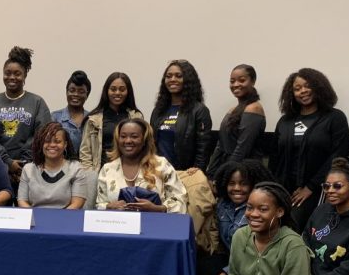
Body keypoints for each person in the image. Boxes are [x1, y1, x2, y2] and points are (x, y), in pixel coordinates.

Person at [271, 68, 349, 232]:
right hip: (285, 190)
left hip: (318, 190)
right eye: (297, 88)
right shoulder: (285, 121)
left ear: (319, 87)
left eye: (307, 86)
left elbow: (337, 156)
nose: (303, 91)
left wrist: (311, 187)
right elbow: (275, 157)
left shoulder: (334, 118)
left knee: (299, 231)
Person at [150, 59, 216, 250]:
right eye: (169, 76)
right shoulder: (159, 110)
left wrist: (197, 170)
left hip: (187, 175)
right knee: (160, 224)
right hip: (160, 174)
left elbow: (204, 145)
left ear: (188, 80)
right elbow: (152, 143)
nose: (173, 79)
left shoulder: (198, 110)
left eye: (178, 76)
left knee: (183, 226)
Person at [201, 159, 274, 275]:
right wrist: (195, 173)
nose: (237, 188)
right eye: (231, 183)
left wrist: (224, 274)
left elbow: (252, 255)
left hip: (255, 266)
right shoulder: (223, 204)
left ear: (254, 185)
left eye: (243, 183)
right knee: (196, 264)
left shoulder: (258, 211)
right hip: (231, 258)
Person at [0, 46, 52, 184]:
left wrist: (23, 165)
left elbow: (42, 134)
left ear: (25, 75)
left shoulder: (37, 102)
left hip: (30, 170)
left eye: (17, 73)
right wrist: (7, 162)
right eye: (7, 73)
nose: (12, 77)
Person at [95, 118, 187, 214]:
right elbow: (99, 205)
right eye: (123, 136)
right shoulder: (107, 169)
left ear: (144, 140)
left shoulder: (161, 165)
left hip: (156, 225)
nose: (128, 141)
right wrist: (109, 206)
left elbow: (180, 200)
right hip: (117, 225)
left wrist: (156, 209)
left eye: (134, 136)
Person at [207, 65, 265, 177]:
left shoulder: (254, 108)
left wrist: (224, 175)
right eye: (232, 81)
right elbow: (221, 144)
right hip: (227, 168)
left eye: (242, 80)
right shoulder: (233, 110)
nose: (236, 84)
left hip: (244, 173)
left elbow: (242, 150)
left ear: (253, 81)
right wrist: (210, 174)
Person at [79, 72, 142, 173]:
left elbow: (143, 147)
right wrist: (91, 177)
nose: (117, 93)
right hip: (101, 173)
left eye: (122, 89)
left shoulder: (136, 117)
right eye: (113, 89)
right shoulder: (93, 119)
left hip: (130, 172)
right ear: (106, 91)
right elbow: (85, 153)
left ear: (128, 92)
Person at [17, 122, 91, 209]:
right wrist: (35, 218)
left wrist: (58, 219)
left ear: (65, 145)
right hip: (35, 219)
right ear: (41, 144)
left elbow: (77, 203)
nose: (52, 145)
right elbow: (22, 201)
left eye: (57, 141)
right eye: (47, 141)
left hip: (66, 218)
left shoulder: (76, 168)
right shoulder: (28, 169)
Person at [51, 70, 92, 157]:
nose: (76, 94)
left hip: (86, 167)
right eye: (72, 90)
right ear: (66, 92)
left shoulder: (92, 119)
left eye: (81, 92)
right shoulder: (55, 117)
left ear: (87, 95)